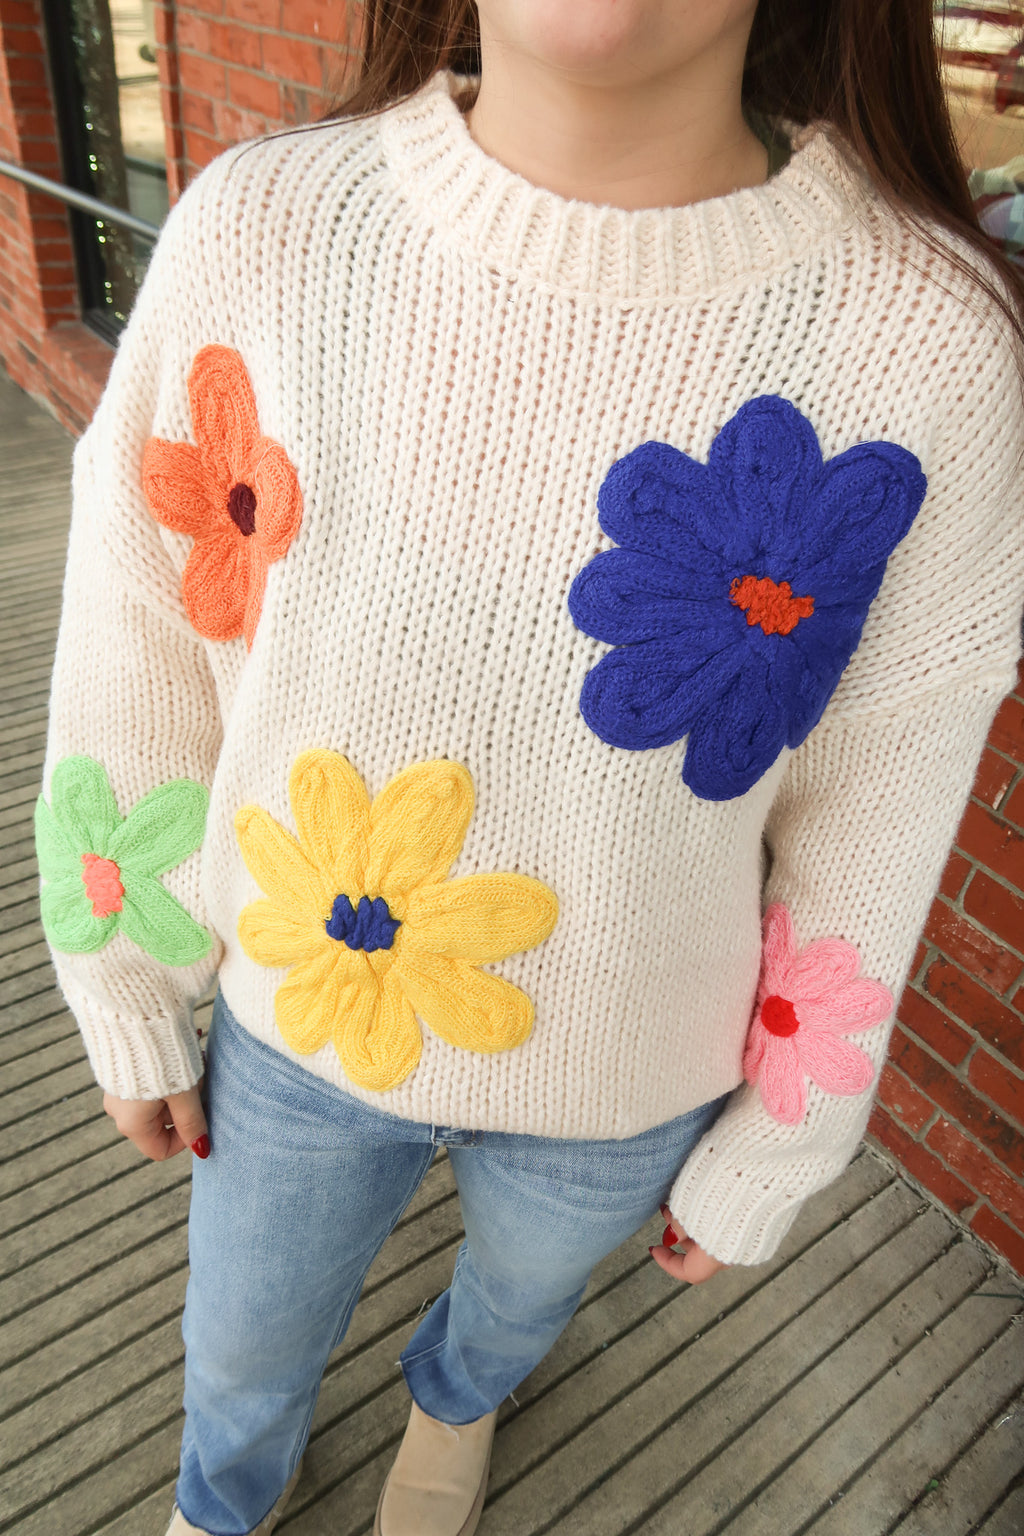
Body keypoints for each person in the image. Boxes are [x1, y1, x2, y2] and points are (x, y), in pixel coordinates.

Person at [36, 2, 1024, 1534]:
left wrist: (789, 1128)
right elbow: (141, 628)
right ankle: (221, 1502)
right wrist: (122, 962)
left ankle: (456, 1401)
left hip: (632, 1058)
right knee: (237, 1345)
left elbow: (888, 788)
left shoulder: (931, 343)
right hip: (297, 1016)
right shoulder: (268, 232)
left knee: (509, 1312)